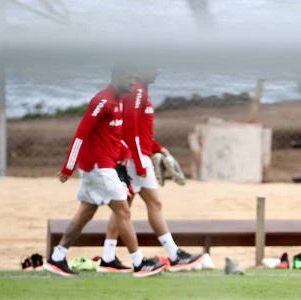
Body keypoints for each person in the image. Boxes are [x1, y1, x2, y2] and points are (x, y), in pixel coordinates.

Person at [43, 65, 167, 278]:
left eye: (134, 78)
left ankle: (57, 257)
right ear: (117, 78)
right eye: (129, 78)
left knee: (86, 212)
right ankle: (139, 263)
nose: (132, 82)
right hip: (99, 168)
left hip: (102, 166)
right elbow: (81, 133)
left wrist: (125, 151)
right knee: (123, 211)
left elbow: (110, 137)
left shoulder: (117, 102)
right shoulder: (103, 101)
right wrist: (68, 167)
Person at [97, 67, 202, 273]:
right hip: (136, 160)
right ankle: (173, 255)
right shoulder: (136, 92)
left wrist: (158, 148)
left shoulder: (140, 91)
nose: (157, 71)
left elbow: (140, 132)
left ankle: (108, 257)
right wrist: (139, 160)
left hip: (138, 157)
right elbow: (129, 130)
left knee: (129, 205)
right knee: (143, 205)